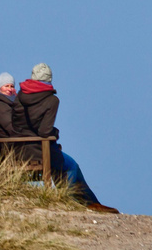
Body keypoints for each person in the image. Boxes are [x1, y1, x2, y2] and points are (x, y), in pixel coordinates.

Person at [17, 63, 118, 213]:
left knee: (61, 161)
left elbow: (16, 124)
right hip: (39, 150)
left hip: (18, 150)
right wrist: (54, 134)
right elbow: (45, 131)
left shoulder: (19, 96)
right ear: (49, 80)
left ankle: (91, 204)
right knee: (71, 165)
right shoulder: (51, 100)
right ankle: (73, 201)